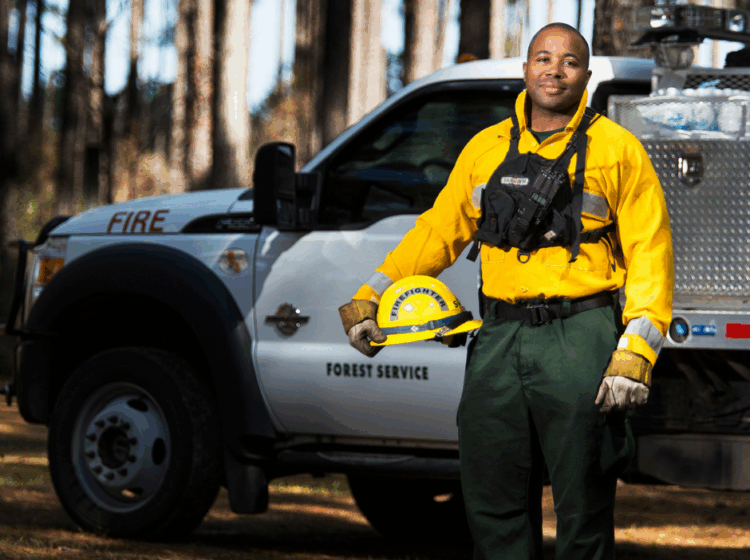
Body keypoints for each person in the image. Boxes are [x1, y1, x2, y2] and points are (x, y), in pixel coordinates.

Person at [338, 22, 673, 560]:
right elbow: (437, 231)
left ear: (585, 76)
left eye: (568, 62)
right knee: (491, 495)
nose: (554, 70)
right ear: (525, 70)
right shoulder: (485, 148)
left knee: (582, 500)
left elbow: (650, 253)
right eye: (543, 58)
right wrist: (373, 293)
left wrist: (635, 350)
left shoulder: (619, 150)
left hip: (581, 336)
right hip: (497, 337)